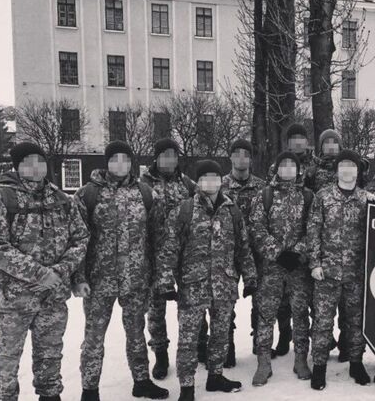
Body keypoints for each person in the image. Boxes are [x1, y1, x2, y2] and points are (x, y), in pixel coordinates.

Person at [0, 143, 89, 401]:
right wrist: (40, 274)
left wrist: (60, 272)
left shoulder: (62, 200)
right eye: (29, 161)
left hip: (52, 298)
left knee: (50, 357)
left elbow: (80, 239)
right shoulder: (1, 199)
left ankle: (50, 396)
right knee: (6, 361)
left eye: (40, 160)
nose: (36, 166)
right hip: (13, 301)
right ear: (18, 166)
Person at [73, 141, 169, 401]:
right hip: (98, 280)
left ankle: (142, 382)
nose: (120, 164)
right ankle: (89, 390)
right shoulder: (87, 194)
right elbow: (78, 239)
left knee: (136, 333)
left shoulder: (146, 194)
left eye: (125, 159)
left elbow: (158, 238)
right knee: (94, 338)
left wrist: (158, 275)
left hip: (136, 279)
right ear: (106, 163)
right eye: (114, 159)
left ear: (131, 163)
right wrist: (79, 277)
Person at [155, 160, 257, 401]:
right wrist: (166, 281)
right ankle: (187, 387)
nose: (211, 182)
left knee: (221, 335)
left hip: (224, 284)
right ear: (198, 182)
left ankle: (215, 376)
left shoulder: (231, 211)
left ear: (221, 181)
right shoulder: (184, 210)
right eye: (205, 178)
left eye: (215, 177)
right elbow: (169, 248)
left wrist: (250, 276)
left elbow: (243, 248)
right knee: (189, 339)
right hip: (193, 286)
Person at [307, 149, 375, 390]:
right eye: (343, 165)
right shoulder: (323, 197)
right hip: (327, 272)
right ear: (337, 170)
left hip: (356, 273)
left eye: (352, 165)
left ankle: (356, 363)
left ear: (358, 170)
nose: (347, 170)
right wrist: (314, 263)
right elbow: (313, 230)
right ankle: (319, 367)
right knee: (322, 322)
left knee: (355, 322)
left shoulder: (368, 200)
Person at [250, 152, 315, 385]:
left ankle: (301, 359)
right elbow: (256, 227)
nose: (287, 169)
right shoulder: (264, 195)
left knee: (300, 314)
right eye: (283, 165)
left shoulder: (308, 196)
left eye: (292, 165)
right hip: (271, 267)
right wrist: (277, 252)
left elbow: (314, 229)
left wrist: (298, 252)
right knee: (266, 314)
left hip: (298, 267)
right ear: (276, 169)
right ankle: (263, 362)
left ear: (298, 169)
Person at [140, 138, 196, 379]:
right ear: (156, 157)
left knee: (193, 303)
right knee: (156, 308)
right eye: (165, 154)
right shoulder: (143, 185)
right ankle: (160, 354)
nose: (170, 159)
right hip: (154, 256)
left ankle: (199, 344)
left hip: (185, 255)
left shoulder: (186, 184)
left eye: (174, 155)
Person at [216, 139, 269, 366]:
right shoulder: (219, 186)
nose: (241, 158)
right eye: (236, 154)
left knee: (261, 299)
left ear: (251, 159)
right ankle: (226, 346)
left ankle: (260, 342)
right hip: (227, 252)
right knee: (225, 302)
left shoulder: (262, 187)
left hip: (255, 252)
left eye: (245, 154)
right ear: (230, 157)